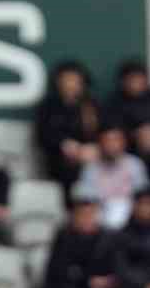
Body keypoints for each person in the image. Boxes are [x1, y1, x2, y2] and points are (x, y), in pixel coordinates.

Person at [39, 191, 120, 288]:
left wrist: (109, 281)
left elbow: (118, 266)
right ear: (74, 216)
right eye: (83, 215)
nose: (88, 219)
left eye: (92, 214)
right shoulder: (64, 238)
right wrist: (87, 282)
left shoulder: (108, 238)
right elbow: (58, 274)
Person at [34, 61, 101, 192]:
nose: (70, 85)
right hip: (59, 160)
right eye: (66, 80)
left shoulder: (91, 106)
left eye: (75, 80)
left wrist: (94, 148)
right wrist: (64, 144)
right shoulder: (48, 107)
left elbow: (104, 132)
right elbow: (41, 136)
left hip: (91, 157)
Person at [76, 123, 150, 230]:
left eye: (116, 140)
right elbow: (87, 199)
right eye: (107, 140)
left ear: (123, 142)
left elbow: (143, 195)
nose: (112, 145)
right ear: (100, 143)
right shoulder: (91, 169)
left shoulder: (134, 164)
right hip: (101, 221)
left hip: (132, 219)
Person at [104, 58, 150, 156]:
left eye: (139, 78)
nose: (136, 82)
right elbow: (112, 126)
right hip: (126, 144)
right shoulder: (114, 101)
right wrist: (136, 133)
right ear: (123, 81)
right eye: (132, 79)